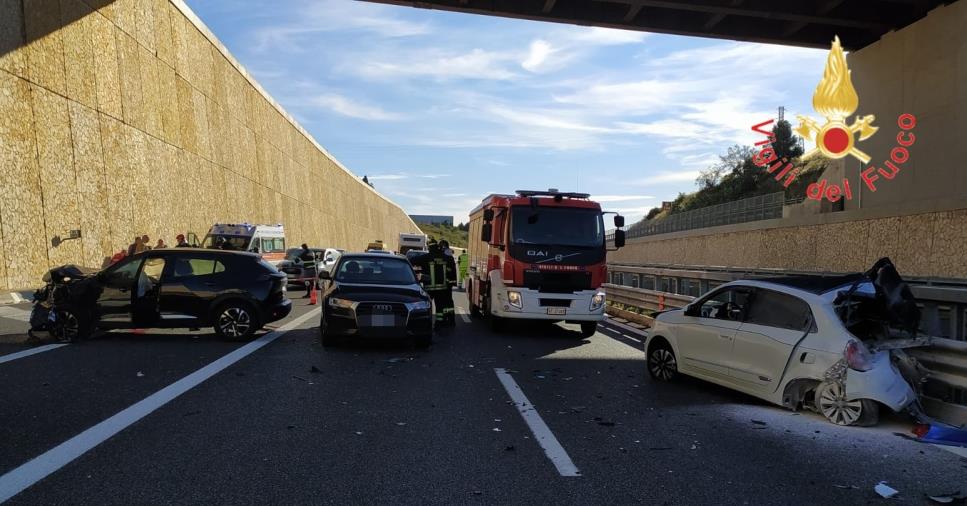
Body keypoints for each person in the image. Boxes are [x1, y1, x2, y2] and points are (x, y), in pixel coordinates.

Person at [413, 239, 456, 327]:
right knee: (440, 307)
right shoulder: (445, 257)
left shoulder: (425, 257)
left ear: (429, 247)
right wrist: (451, 282)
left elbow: (412, 260)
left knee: (426, 306)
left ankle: (424, 323)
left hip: (429, 288)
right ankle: (439, 323)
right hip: (441, 288)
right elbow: (451, 267)